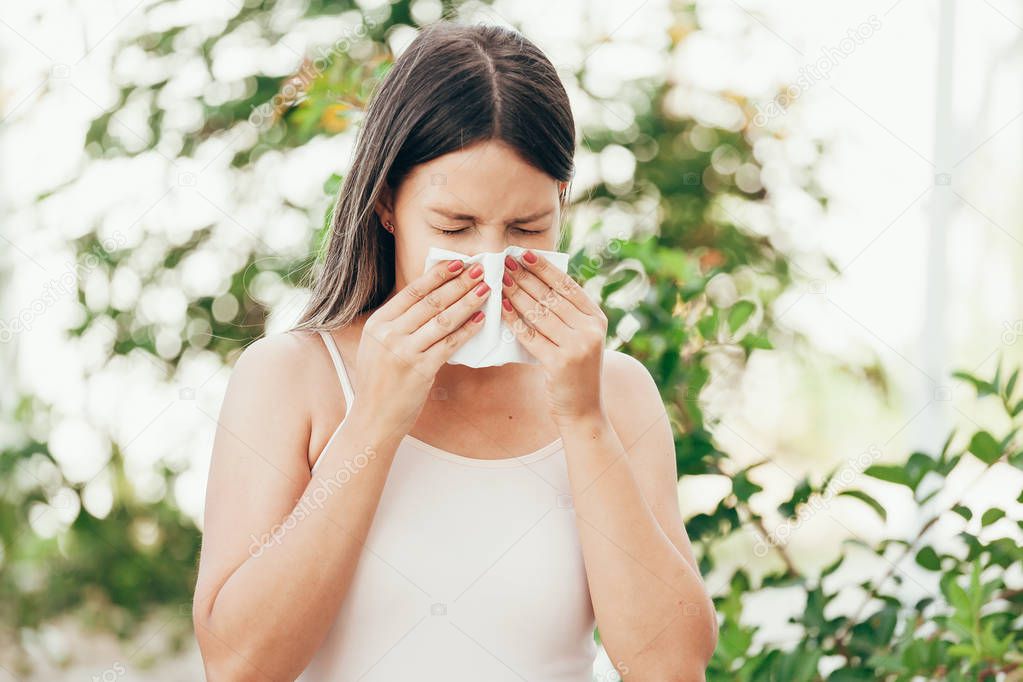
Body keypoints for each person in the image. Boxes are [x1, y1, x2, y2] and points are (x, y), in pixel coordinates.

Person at [191, 20, 717, 682]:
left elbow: (671, 667)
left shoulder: (614, 393)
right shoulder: (291, 379)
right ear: (386, 204)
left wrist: (583, 421)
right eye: (453, 227)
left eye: (526, 227)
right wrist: (376, 417)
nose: (489, 261)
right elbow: (239, 666)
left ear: (562, 204)